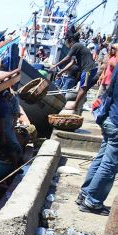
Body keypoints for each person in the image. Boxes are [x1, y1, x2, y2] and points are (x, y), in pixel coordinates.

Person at [77, 65, 118, 215]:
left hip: (110, 118)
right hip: (116, 121)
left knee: (101, 160)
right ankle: (93, 202)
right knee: (109, 165)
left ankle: (85, 194)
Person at [50, 34, 98, 112]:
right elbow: (72, 62)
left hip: (88, 70)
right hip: (88, 70)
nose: (67, 45)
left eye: (67, 43)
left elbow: (67, 58)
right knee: (82, 88)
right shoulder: (78, 49)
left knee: (82, 88)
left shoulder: (76, 46)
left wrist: (56, 64)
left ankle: (75, 106)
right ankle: (76, 104)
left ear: (70, 41)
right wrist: (61, 72)